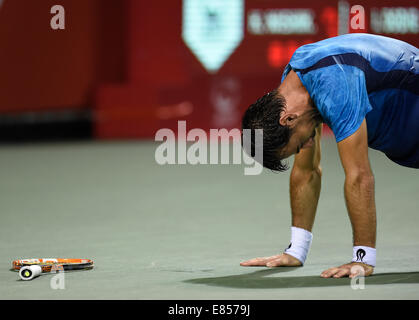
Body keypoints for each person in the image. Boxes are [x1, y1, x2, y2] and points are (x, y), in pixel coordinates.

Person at [240, 33, 419, 278]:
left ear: (288, 119)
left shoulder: (335, 84)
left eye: (298, 144)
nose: (306, 145)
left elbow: (359, 175)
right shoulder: (292, 90)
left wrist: (362, 259)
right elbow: (307, 171)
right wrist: (296, 251)